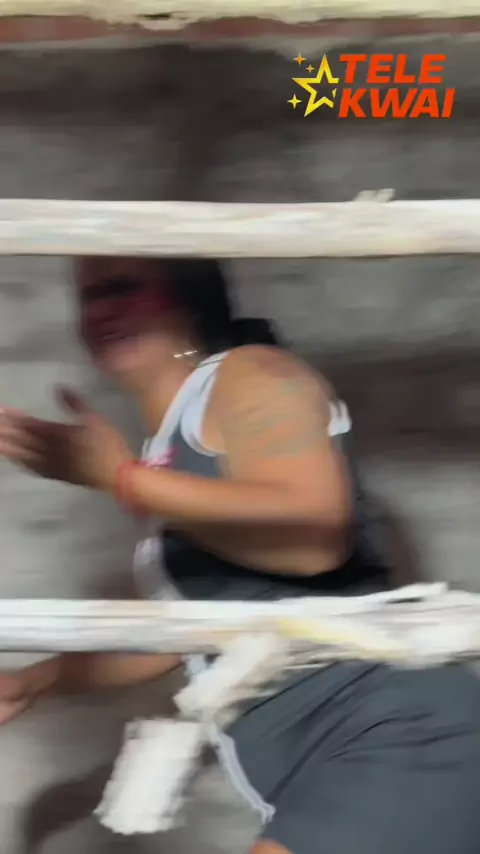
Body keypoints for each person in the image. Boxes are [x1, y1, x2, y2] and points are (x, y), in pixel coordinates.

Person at [1, 256, 480, 854]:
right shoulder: (171, 453)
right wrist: (34, 681)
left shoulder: (251, 373)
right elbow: (182, 634)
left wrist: (121, 480)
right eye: (90, 297)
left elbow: (315, 540)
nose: (102, 311)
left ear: (189, 295)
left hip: (393, 735)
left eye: (124, 288)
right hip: (317, 764)